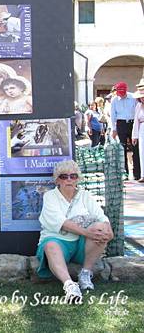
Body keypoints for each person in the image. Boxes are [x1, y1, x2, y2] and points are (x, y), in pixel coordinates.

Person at [36, 160, 114, 303]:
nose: (69, 179)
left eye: (73, 176)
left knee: (101, 228)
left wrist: (108, 230)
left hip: (81, 245)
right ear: (57, 180)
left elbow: (101, 216)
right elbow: (61, 222)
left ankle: (85, 273)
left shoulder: (85, 195)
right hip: (58, 242)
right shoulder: (50, 196)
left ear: (78, 178)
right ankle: (70, 285)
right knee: (50, 246)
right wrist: (87, 233)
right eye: (64, 176)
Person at [110, 81, 140, 180]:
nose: (122, 95)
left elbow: (137, 111)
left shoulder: (133, 97)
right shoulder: (114, 100)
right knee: (122, 149)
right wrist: (114, 129)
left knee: (135, 148)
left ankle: (137, 173)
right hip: (121, 124)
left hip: (132, 123)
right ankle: (124, 173)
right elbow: (113, 115)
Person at [131, 88, 144, 183]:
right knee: (142, 151)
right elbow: (136, 121)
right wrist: (134, 135)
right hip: (142, 128)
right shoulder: (138, 106)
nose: (142, 99)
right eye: (141, 97)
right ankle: (143, 174)